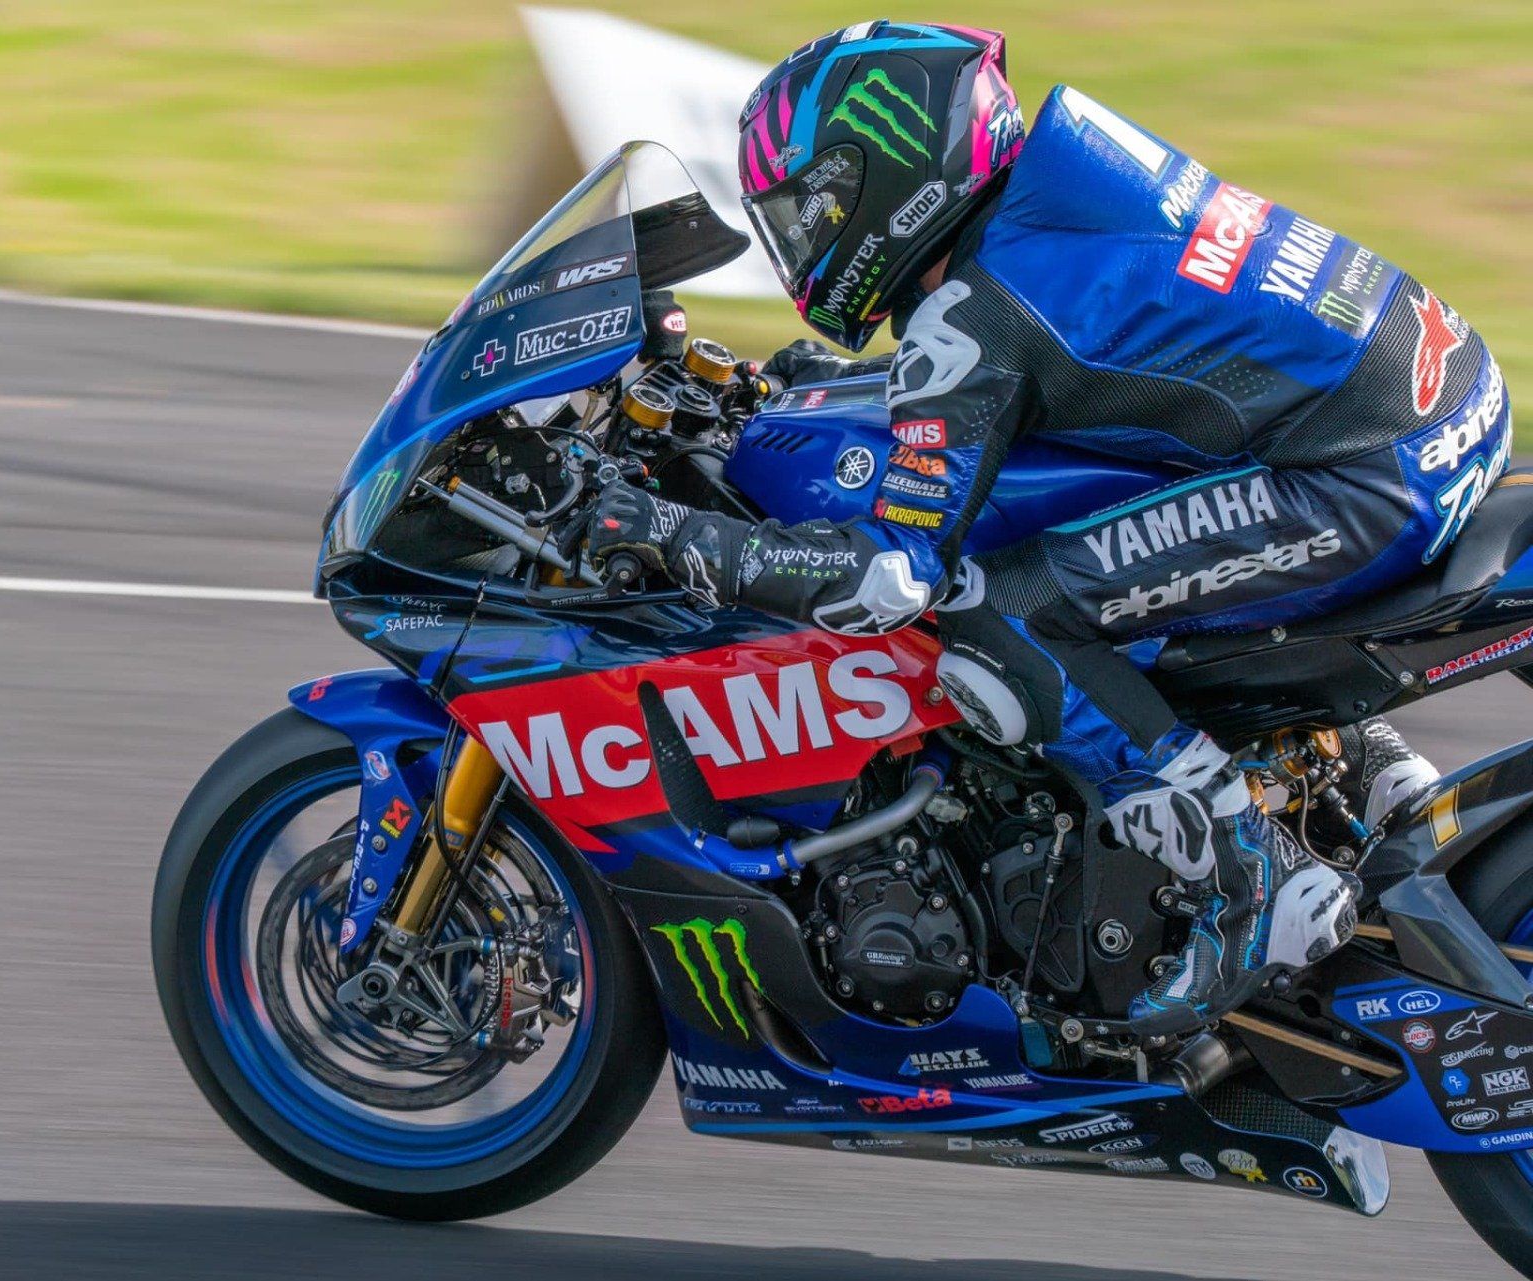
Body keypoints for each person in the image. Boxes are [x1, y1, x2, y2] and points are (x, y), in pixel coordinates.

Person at [584, 20, 1506, 1034]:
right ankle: (1365, 770)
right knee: (1111, 526)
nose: (804, 237)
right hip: (1445, 393)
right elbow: (1089, 350)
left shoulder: (979, 311)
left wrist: (670, 533)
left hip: (1363, 474)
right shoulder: (1058, 180)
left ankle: (1245, 870)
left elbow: (892, 576)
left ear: (891, 177)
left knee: (1006, 609)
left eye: (815, 206)